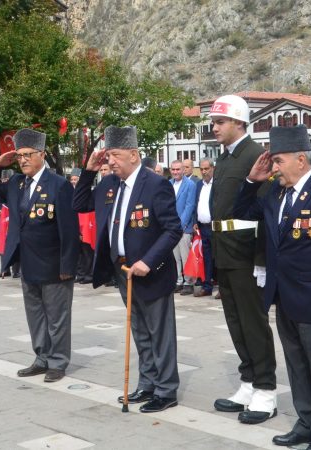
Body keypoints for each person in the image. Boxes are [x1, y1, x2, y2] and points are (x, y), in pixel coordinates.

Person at [233, 125, 311, 450]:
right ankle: (306, 421)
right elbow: (241, 214)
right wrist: (252, 181)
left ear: (301, 160)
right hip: (283, 297)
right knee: (297, 365)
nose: (274, 168)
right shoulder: (274, 193)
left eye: (278, 161)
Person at [73, 125, 182, 413]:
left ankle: (166, 389)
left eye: (116, 156)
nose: (111, 162)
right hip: (123, 271)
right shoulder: (110, 184)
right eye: (108, 156)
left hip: (151, 271)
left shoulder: (155, 184)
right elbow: (79, 203)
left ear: (134, 155)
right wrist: (89, 170)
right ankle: (148, 383)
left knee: (160, 333)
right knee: (140, 331)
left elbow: (173, 229)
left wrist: (149, 261)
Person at [0, 128, 79, 382]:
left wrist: (68, 264)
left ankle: (58, 361)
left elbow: (69, 229)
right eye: (19, 155)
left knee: (57, 317)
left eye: (27, 154)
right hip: (28, 261)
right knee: (35, 315)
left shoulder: (58, 184)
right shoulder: (16, 183)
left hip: (55, 263)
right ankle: (42, 357)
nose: (22, 159)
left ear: (42, 154)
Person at [208, 94, 277, 425]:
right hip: (225, 249)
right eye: (214, 122)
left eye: (220, 122)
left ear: (239, 122)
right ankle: (248, 381)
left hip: (248, 252)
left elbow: (264, 213)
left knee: (253, 322)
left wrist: (262, 261)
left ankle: (266, 388)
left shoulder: (255, 155)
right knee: (235, 322)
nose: (215, 127)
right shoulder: (224, 158)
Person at [169, 160, 197, 295]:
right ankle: (178, 281)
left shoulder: (190, 185)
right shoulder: (168, 184)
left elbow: (189, 206)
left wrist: (180, 226)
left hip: (184, 228)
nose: (175, 172)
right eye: (173, 169)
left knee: (185, 256)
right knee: (175, 257)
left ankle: (188, 282)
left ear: (183, 170)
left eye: (178, 169)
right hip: (171, 227)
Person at [193, 157, 215, 297]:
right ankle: (207, 286)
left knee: (218, 258)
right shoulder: (199, 185)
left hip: (215, 227)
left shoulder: (217, 184)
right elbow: (197, 204)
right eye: (201, 169)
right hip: (202, 227)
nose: (204, 171)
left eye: (206, 169)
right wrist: (195, 220)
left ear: (213, 168)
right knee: (206, 258)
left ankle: (224, 288)